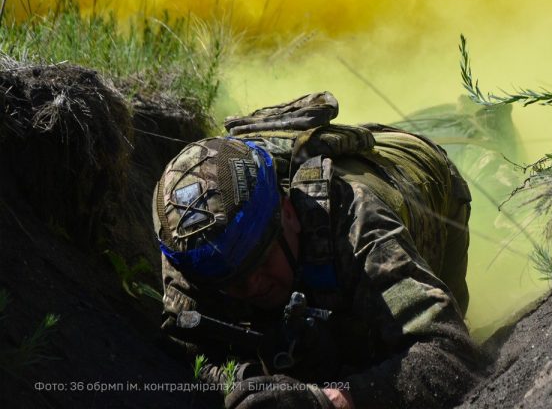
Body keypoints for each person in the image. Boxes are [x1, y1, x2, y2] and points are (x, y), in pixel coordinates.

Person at [153, 92, 484, 409]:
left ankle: (478, 118)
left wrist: (331, 400)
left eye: (262, 260)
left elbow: (452, 355)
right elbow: (186, 344)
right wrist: (244, 380)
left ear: (288, 214)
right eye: (233, 279)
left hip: (427, 178)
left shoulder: (357, 225)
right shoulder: (201, 247)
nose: (252, 285)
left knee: (392, 348)